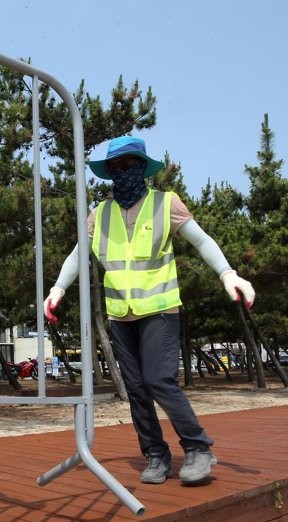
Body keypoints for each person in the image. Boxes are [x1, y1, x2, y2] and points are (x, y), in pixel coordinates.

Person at [43, 136, 255, 486]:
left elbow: (201, 240)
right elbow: (80, 254)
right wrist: (58, 288)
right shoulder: (100, 214)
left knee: (159, 381)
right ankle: (156, 455)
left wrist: (228, 273)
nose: (122, 171)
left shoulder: (165, 203)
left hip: (159, 309)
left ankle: (199, 448)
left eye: (129, 164)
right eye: (115, 166)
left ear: (142, 167)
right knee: (137, 389)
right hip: (120, 314)